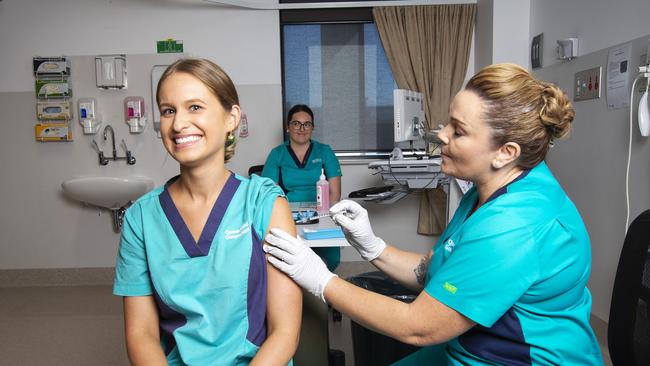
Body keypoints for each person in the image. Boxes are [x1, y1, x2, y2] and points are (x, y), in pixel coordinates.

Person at [264, 63, 604, 365]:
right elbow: (434, 270)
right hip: (466, 347)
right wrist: (373, 247)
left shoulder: (515, 225)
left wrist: (322, 280)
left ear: (505, 153)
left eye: (458, 130)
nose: (441, 135)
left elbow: (418, 327)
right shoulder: (484, 193)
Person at [112, 58, 301, 365]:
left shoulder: (264, 204)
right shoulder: (141, 220)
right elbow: (141, 334)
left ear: (231, 118)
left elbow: (285, 332)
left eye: (195, 107)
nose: (178, 124)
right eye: (168, 110)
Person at [261, 104, 342, 271]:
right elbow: (270, 194)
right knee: (286, 256)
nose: (301, 128)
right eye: (296, 123)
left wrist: (326, 217)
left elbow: (335, 194)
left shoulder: (324, 152)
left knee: (331, 258)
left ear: (313, 127)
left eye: (307, 124)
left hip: (321, 211)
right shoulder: (277, 154)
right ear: (288, 127)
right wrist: (283, 217)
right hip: (287, 212)